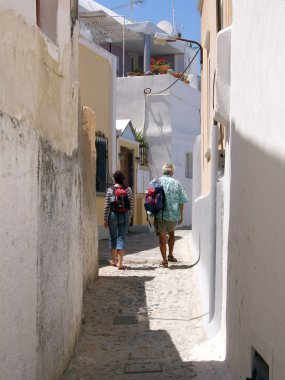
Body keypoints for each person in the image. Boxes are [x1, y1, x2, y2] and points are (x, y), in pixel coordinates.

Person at [151, 162, 189, 268]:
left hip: (160, 214)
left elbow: (149, 194)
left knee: (162, 238)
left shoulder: (156, 181)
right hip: (172, 215)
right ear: (172, 171)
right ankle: (170, 255)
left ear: (163, 171)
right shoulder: (176, 183)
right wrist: (181, 215)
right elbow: (182, 200)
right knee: (172, 234)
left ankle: (164, 261)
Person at [103, 170, 133, 270]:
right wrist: (129, 217)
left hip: (113, 215)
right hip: (124, 215)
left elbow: (107, 205)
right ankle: (120, 263)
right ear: (123, 179)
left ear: (114, 179)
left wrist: (105, 218)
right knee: (121, 238)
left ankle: (113, 260)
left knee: (112, 237)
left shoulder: (110, 190)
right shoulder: (128, 189)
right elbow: (131, 205)